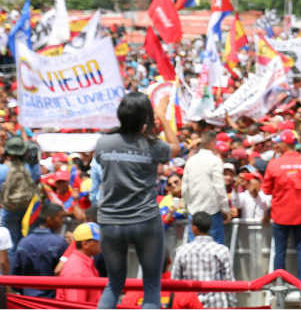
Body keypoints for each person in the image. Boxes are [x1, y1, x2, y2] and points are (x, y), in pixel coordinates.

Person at [95, 92, 181, 309]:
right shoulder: (153, 146)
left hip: (110, 221)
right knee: (151, 287)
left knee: (114, 284)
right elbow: (176, 147)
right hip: (145, 221)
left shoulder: (103, 143)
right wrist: (162, 115)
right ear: (146, 118)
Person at [262, 128, 301, 283]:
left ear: (283, 145)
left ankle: (279, 284)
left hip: (280, 215)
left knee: (280, 250)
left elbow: (266, 190)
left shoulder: (274, 165)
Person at [172, 211, 236, 309]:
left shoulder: (182, 251)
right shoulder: (222, 250)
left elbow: (175, 281)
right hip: (216, 304)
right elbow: (229, 280)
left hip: (189, 304)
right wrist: (232, 304)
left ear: (194, 228)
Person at [10, 203, 68, 299]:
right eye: (60, 217)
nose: (62, 221)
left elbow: (15, 275)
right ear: (49, 219)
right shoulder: (60, 243)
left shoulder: (24, 242)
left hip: (28, 300)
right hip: (52, 300)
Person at [182, 131, 230, 245]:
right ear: (213, 143)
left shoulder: (190, 161)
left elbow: (185, 188)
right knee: (216, 248)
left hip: (194, 211)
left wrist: (186, 207)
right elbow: (219, 187)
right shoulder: (215, 161)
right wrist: (226, 209)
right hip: (212, 211)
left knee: (194, 248)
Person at [0, 135, 40, 253]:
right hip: (29, 209)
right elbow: (37, 179)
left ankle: (12, 269)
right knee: (28, 240)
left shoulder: (2, 169)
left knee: (11, 243)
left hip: (10, 209)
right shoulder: (31, 167)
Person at [56, 222, 103, 305]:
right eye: (98, 241)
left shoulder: (83, 262)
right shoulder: (77, 269)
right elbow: (76, 305)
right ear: (85, 244)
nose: (102, 244)